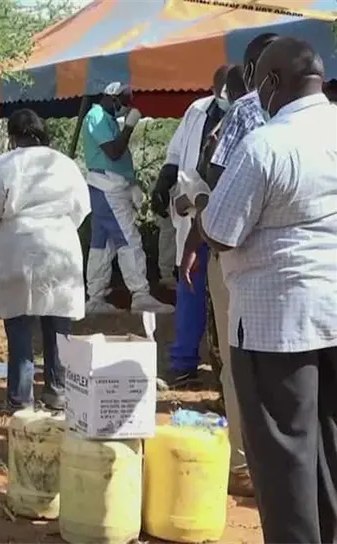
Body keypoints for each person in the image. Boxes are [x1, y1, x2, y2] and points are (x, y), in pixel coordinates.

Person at [200, 37, 337, 544]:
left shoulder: (267, 144)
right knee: (330, 445)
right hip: (333, 312)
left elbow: (222, 230)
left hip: (275, 325)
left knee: (284, 457)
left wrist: (196, 207)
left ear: (273, 83)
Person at [183, 32, 278, 498]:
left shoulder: (244, 111)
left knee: (241, 361)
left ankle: (243, 465)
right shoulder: (328, 118)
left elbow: (219, 181)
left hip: (243, 258)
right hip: (313, 272)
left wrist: (200, 217)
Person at [0, 110, 89, 412]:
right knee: (59, 325)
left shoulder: (4, 164)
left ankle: (21, 400)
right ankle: (57, 391)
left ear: (12, 137)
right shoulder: (64, 164)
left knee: (20, 327)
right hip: (61, 246)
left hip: (17, 249)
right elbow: (81, 208)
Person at [152, 65, 231, 390]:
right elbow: (175, 152)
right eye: (218, 93)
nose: (222, 100)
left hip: (228, 213)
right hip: (193, 211)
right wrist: (164, 180)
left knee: (228, 293)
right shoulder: (197, 110)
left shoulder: (253, 115)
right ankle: (184, 364)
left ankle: (228, 371)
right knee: (190, 284)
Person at [82, 82, 173, 315]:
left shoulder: (105, 118)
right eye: (124, 100)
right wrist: (130, 126)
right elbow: (114, 152)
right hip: (108, 189)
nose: (126, 105)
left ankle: (95, 298)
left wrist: (131, 183)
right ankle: (140, 294)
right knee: (128, 240)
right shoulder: (97, 117)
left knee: (103, 245)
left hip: (108, 187)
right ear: (112, 96)